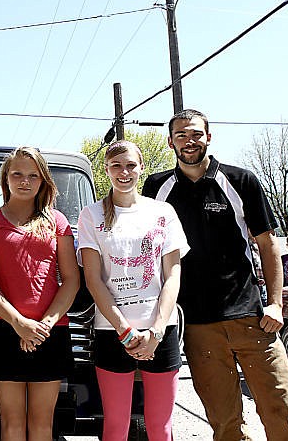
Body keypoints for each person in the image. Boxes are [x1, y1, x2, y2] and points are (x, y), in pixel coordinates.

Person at [142, 109, 288, 441]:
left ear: (209, 137)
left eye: (196, 134)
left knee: (280, 413)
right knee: (225, 423)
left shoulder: (241, 180)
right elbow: (144, 248)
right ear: (171, 141)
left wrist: (274, 304)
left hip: (252, 319)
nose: (189, 141)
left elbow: (269, 244)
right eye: (182, 135)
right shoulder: (157, 186)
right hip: (197, 324)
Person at [77, 140, 188, 441]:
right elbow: (93, 280)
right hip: (111, 331)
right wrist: (124, 331)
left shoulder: (162, 212)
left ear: (141, 167)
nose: (124, 172)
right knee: (115, 427)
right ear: (106, 169)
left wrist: (156, 331)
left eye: (130, 165)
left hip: (160, 332)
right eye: (116, 166)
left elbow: (172, 274)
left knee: (160, 428)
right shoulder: (91, 215)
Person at [0, 146, 79, 441]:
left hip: (51, 332)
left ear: (43, 180)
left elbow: (70, 280)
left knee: (43, 424)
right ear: (5, 178)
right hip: (1, 329)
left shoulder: (58, 222)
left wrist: (44, 324)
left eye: (33, 175)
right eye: (17, 173)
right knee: (12, 423)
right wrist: (18, 322)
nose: (25, 181)